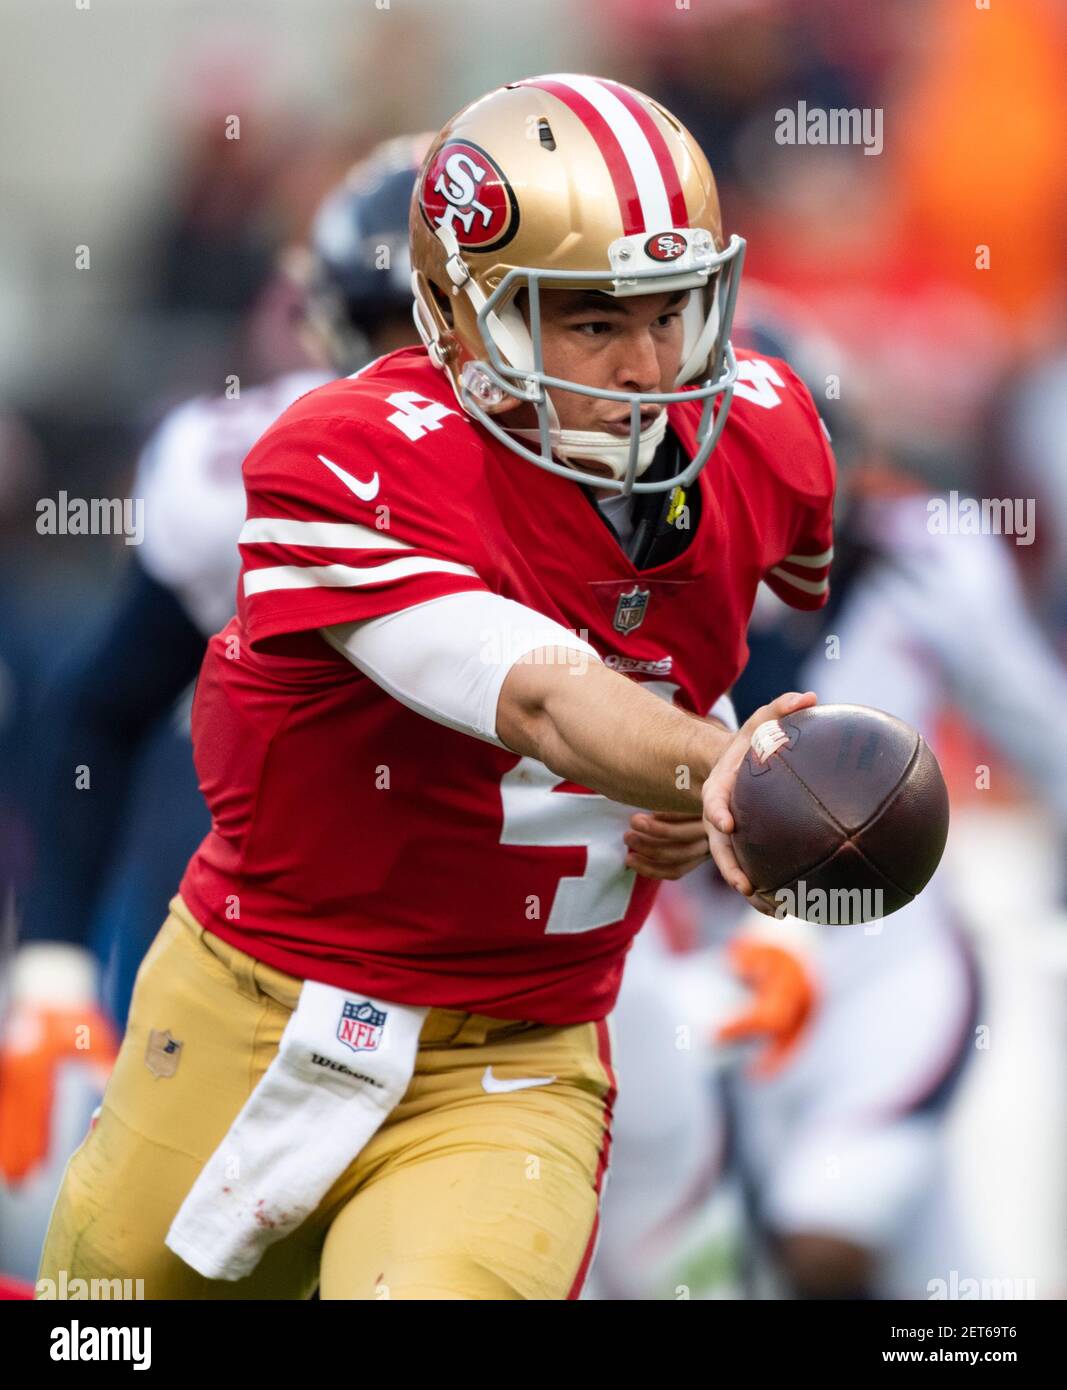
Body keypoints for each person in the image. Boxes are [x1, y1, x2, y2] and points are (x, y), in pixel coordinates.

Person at [37, 74, 835, 1301]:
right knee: (104, 1325)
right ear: (461, 323)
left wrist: (718, 761)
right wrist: (709, 763)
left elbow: (693, 648)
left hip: (517, 1047)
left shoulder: (760, 441)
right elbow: (531, 693)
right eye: (590, 324)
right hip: (255, 1003)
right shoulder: (340, 456)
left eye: (671, 308)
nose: (649, 365)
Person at [0, 138, 430, 1283]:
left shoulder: (626, 479)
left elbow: (710, 731)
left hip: (524, 991)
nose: (425, 370)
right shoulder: (251, 465)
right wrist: (47, 965)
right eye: (406, 329)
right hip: (263, 971)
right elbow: (98, 710)